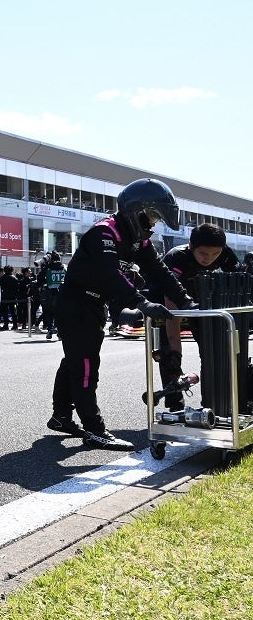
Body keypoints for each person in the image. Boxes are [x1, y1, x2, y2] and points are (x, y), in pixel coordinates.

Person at [48, 178, 194, 449]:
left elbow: (160, 272)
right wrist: (141, 303)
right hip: (75, 304)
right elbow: (111, 274)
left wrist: (186, 301)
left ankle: (61, 416)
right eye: (152, 216)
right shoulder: (104, 233)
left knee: (74, 361)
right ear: (135, 210)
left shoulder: (139, 242)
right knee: (85, 367)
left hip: (95, 306)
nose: (153, 224)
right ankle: (95, 430)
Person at [151, 223, 238, 403]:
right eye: (204, 253)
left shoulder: (226, 254)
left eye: (215, 254)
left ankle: (211, 401)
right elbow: (172, 310)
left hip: (201, 303)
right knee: (170, 356)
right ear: (191, 246)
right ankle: (174, 402)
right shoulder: (176, 258)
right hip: (168, 301)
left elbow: (240, 283)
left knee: (211, 351)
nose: (209, 259)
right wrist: (175, 351)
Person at [41, 251, 67, 339]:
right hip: (63, 294)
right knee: (61, 313)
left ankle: (50, 329)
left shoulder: (47, 268)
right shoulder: (64, 267)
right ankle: (60, 332)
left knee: (49, 312)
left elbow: (40, 279)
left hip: (51, 293)